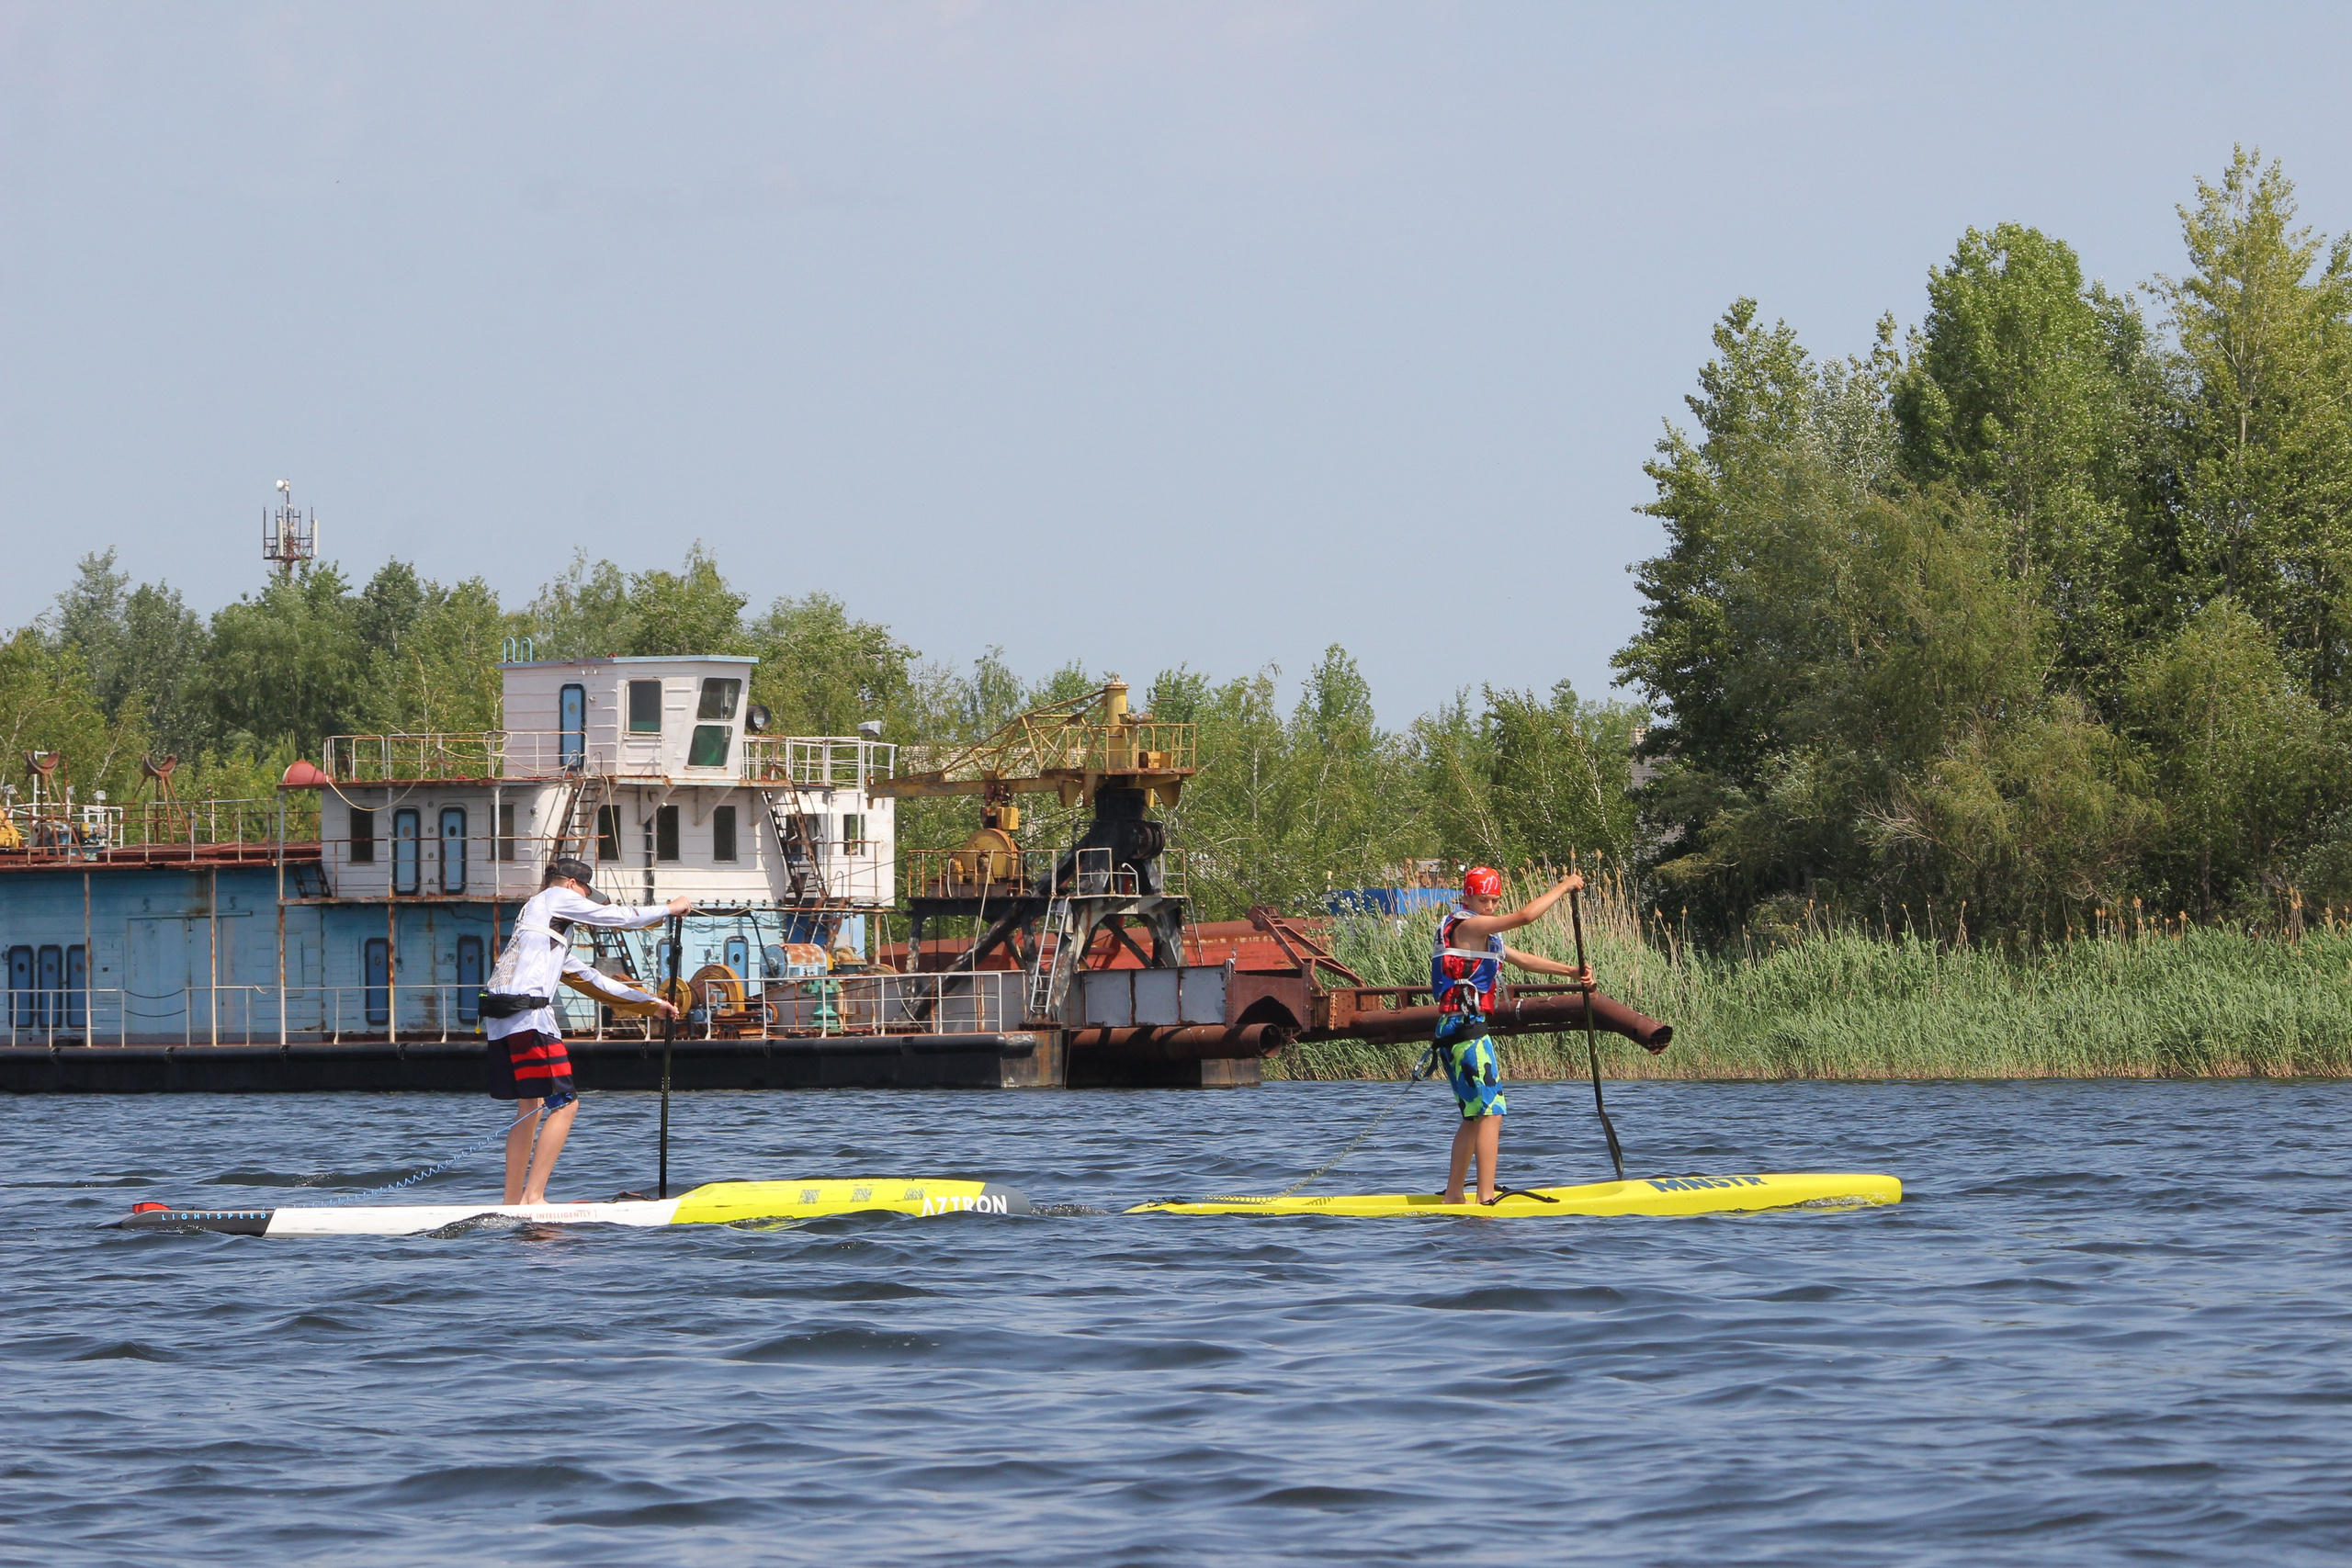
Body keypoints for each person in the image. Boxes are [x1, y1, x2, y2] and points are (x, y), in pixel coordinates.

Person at [480, 858, 692, 1204]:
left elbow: (590, 980)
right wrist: (670, 909)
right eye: (585, 895)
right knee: (565, 1106)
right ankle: (534, 1198)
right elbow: (619, 918)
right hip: (529, 1019)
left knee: (530, 1106)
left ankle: (512, 1202)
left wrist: (650, 1004)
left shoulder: (541, 928)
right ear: (572, 886)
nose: (586, 905)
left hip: (502, 1016)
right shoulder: (554, 897)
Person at [1432, 865, 1593, 1205]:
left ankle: (1454, 1195)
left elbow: (1522, 959)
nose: (1489, 907)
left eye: (1494, 900)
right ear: (1466, 897)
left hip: (1456, 1030)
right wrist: (1564, 886)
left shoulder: (1481, 936)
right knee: (1492, 1110)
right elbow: (1524, 917)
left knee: (1475, 1115)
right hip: (1466, 1031)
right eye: (1483, 899)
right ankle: (1485, 1198)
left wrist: (1571, 971)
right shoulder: (1467, 925)